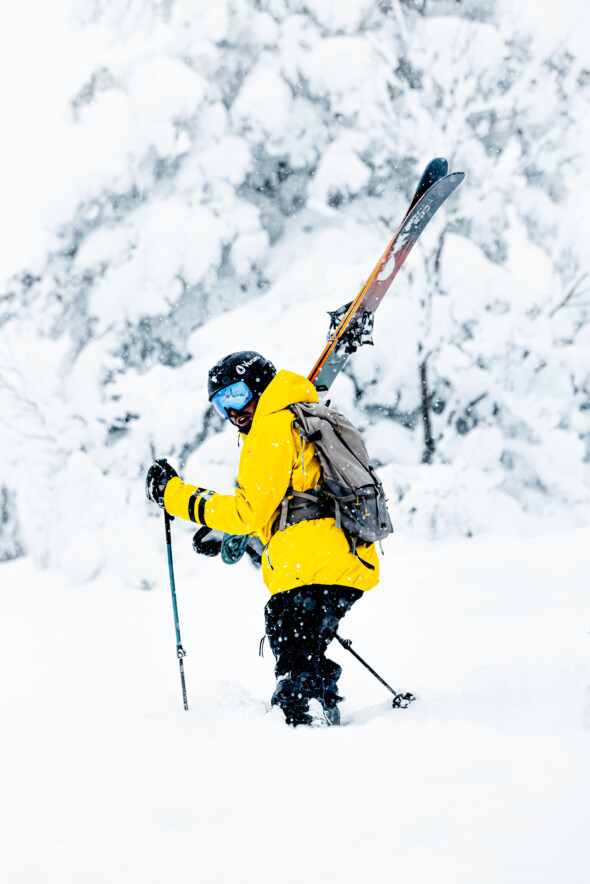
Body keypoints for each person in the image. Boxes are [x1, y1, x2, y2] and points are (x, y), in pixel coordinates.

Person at [145, 351, 380, 726]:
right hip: (333, 556)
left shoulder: (271, 426)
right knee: (295, 635)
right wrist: (231, 537)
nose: (233, 412)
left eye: (236, 395)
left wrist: (174, 495)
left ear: (258, 384)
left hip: (314, 564)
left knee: (294, 642)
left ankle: (306, 720)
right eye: (221, 404)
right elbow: (279, 505)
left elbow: (247, 512)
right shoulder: (290, 418)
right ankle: (319, 713)